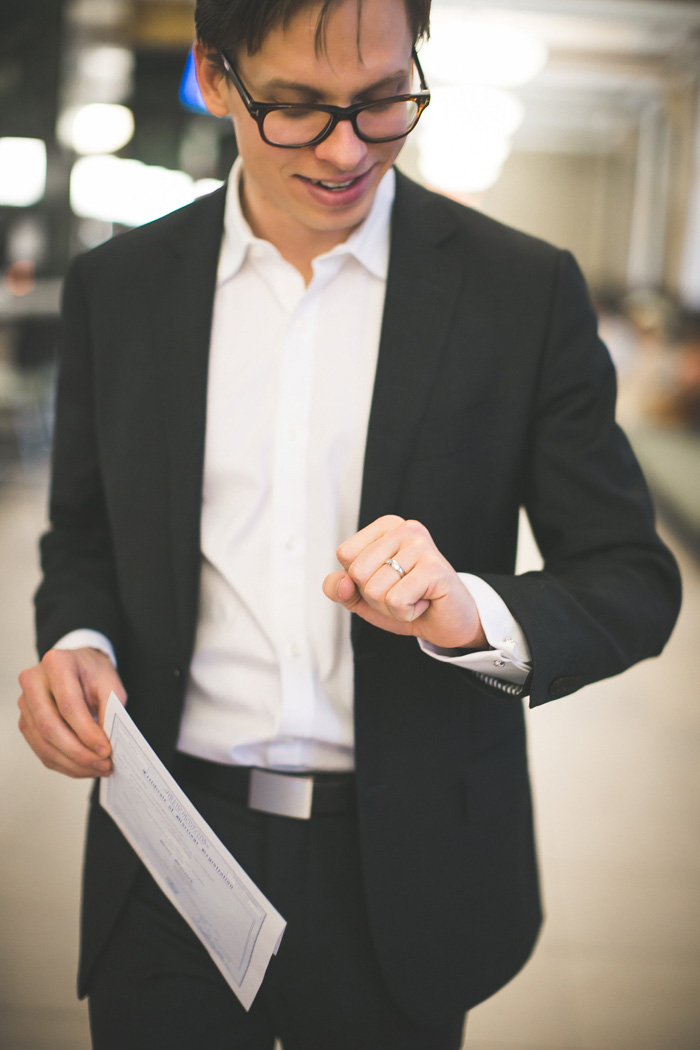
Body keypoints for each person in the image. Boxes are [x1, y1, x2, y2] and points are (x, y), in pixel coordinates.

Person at [17, 0, 681, 1047]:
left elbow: (631, 580)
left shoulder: (519, 291)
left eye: (383, 103)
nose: (345, 148)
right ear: (215, 73)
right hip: (171, 849)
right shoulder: (122, 287)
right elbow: (85, 536)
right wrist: (79, 640)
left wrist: (468, 610)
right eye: (297, 108)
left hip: (405, 865)